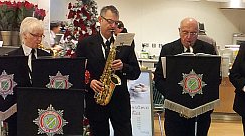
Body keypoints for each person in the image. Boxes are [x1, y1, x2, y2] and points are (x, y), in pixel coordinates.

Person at [75, 5, 140, 136]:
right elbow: (77, 72)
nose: (112, 26)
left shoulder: (125, 43)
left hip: (120, 102)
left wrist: (124, 66)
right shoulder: (85, 44)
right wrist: (90, 82)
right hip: (96, 102)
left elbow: (135, 72)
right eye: (109, 21)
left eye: (116, 23)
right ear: (100, 19)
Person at [153, 17, 217, 136]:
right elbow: (158, 78)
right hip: (175, 109)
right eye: (185, 32)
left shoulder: (208, 49)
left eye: (193, 33)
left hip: (200, 110)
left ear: (198, 32)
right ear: (179, 31)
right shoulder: (168, 49)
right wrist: (172, 94)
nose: (189, 37)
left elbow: (215, 78)